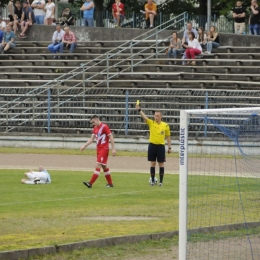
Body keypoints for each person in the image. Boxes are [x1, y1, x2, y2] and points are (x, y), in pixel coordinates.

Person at [135, 105, 171, 186]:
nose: (156, 117)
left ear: (161, 117)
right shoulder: (151, 123)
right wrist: (139, 110)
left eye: (157, 116)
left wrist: (169, 147)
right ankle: (152, 180)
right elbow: (144, 117)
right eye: (155, 116)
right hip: (152, 146)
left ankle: (161, 182)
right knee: (152, 163)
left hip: (161, 146)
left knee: (161, 164)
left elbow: (168, 136)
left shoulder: (165, 125)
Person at [80, 115, 116, 188]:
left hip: (104, 149)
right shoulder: (95, 128)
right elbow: (91, 139)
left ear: (97, 120)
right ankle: (110, 183)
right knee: (104, 166)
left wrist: (113, 148)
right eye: (91, 123)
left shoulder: (104, 127)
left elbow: (111, 137)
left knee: (98, 165)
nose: (93, 124)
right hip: (99, 149)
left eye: (93, 122)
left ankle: (90, 183)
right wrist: (84, 146)